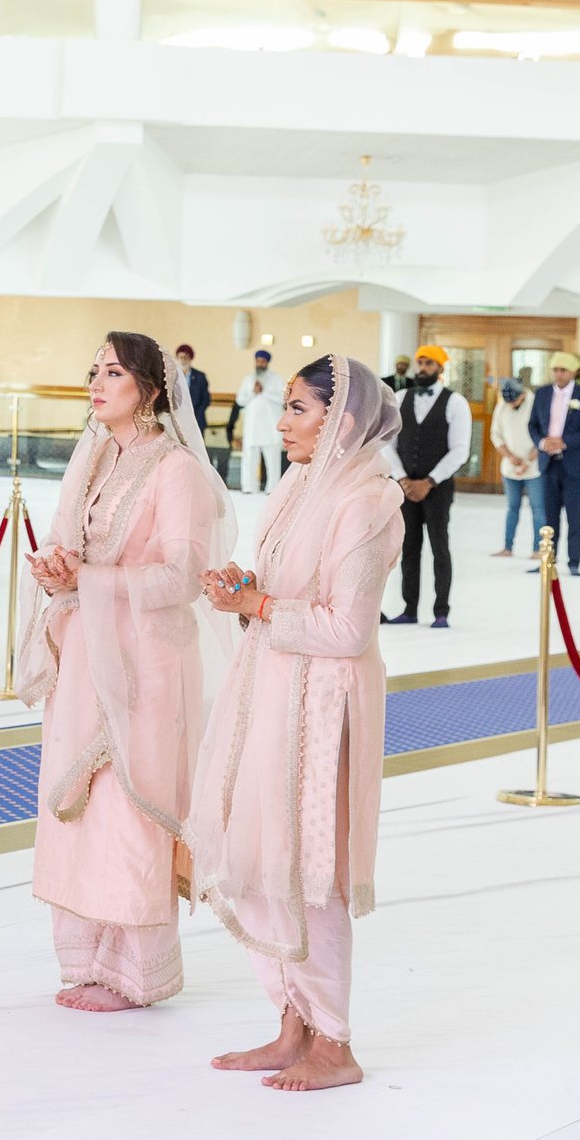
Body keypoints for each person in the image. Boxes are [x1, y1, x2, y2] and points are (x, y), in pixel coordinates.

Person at [192, 354, 401, 1092]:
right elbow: (281, 586)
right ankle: (291, 1021)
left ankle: (334, 1042)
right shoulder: (297, 485)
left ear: (340, 421)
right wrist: (245, 588)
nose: (281, 422)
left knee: (308, 870)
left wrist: (260, 609)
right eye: (283, 407)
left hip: (323, 705)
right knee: (258, 855)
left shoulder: (367, 501)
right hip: (271, 686)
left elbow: (348, 628)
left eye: (298, 409)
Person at [20, 333, 233, 1013]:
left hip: (146, 662)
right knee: (80, 804)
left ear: (148, 388)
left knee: (124, 807)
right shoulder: (96, 459)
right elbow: (76, 548)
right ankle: (89, 960)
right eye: (94, 368)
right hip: (88, 651)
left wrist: (89, 576)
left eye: (113, 371)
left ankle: (134, 972)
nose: (96, 380)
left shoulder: (177, 471)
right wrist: (60, 571)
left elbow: (182, 576)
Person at [380, 345, 467, 627]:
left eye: (430, 363)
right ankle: (409, 609)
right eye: (421, 362)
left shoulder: (455, 403)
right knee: (409, 547)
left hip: (438, 488)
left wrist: (429, 481)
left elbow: (459, 450)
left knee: (440, 547)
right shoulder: (400, 397)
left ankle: (441, 611)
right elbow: (388, 444)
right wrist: (403, 478)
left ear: (441, 369)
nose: (423, 368)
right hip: (404, 488)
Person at [531, 351, 580, 576]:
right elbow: (532, 425)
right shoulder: (541, 394)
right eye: (556, 370)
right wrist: (542, 442)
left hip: (574, 464)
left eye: (563, 370)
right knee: (548, 517)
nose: (559, 374)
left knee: (573, 515)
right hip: (548, 462)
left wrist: (565, 442)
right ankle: (547, 560)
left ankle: (574, 563)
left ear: (574, 372)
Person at [490, 376, 540, 557]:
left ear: (522, 395)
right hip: (510, 466)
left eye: (514, 401)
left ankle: (538, 549)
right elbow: (495, 435)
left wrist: (528, 461)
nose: (511, 404)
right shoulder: (502, 405)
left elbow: (544, 435)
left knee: (538, 508)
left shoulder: (536, 404)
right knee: (512, 508)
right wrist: (510, 457)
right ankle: (507, 547)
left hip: (534, 467)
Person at [235, 349, 284, 494]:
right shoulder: (249, 379)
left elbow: (283, 399)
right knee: (249, 459)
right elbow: (240, 400)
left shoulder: (276, 379)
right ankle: (248, 487)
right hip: (252, 427)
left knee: (272, 461)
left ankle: (272, 488)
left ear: (267, 362)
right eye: (258, 360)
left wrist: (264, 392)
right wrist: (253, 392)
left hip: (270, 426)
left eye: (263, 361)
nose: (260, 363)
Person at [177, 344, 211, 436]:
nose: (183, 360)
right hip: (177, 418)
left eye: (186, 357)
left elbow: (206, 400)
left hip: (196, 418)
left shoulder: (200, 376)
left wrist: (194, 414)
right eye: (181, 357)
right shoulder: (172, 376)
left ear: (190, 358)